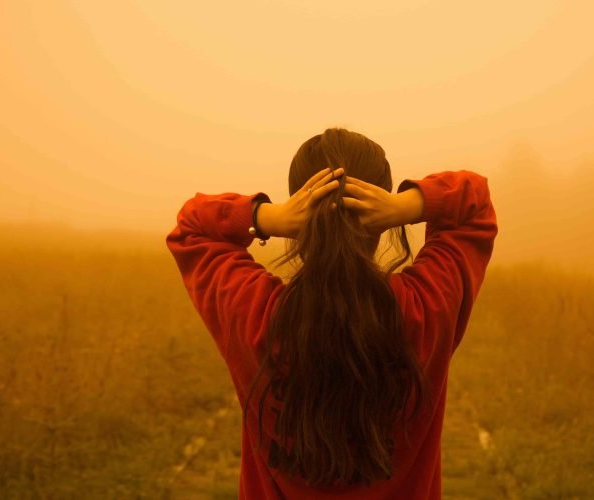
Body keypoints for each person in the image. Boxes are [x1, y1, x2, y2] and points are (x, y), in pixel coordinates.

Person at [165, 127, 498, 499]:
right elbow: (475, 203)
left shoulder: (254, 314)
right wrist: (405, 207)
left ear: (299, 215)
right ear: (380, 215)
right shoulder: (425, 308)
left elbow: (193, 226)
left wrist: (267, 218)